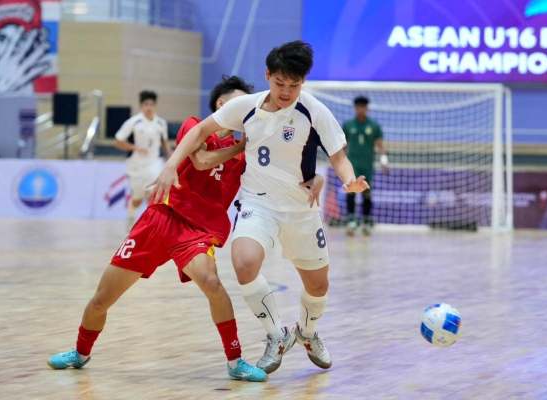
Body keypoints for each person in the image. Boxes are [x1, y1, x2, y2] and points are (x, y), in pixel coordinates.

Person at [47, 76, 299, 382]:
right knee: (102, 298)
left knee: (212, 283)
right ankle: (80, 352)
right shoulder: (194, 125)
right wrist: (239, 147)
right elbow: (202, 160)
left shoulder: (247, 154)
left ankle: (235, 361)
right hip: (159, 219)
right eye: (239, 103)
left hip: (196, 231)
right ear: (221, 104)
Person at [150, 41, 369, 374]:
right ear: (268, 75)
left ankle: (307, 333)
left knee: (318, 286)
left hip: (300, 209)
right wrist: (170, 165)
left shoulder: (314, 110)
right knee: (244, 262)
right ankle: (276, 335)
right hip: (258, 202)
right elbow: (201, 130)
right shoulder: (246, 107)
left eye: (294, 85)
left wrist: (349, 181)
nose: (286, 92)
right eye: (280, 83)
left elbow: (338, 157)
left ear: (303, 82)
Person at [114, 90, 172, 226]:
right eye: (146, 104)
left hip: (154, 163)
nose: (149, 107)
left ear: (155, 106)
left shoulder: (161, 123)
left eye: (151, 104)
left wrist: (171, 158)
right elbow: (118, 141)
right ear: (141, 106)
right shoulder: (134, 122)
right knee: (137, 199)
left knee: (153, 194)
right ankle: (131, 217)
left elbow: (165, 143)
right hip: (136, 165)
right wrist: (135, 148)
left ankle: (152, 224)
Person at [342, 96, 388, 236]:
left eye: (363, 107)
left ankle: (366, 222)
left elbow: (380, 145)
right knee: (350, 192)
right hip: (352, 165)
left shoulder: (374, 126)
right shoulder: (348, 125)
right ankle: (351, 221)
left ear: (367, 108)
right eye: (358, 107)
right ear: (355, 108)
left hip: (367, 165)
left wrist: (384, 160)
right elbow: (343, 145)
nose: (361, 109)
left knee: (366, 193)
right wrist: (340, 161)